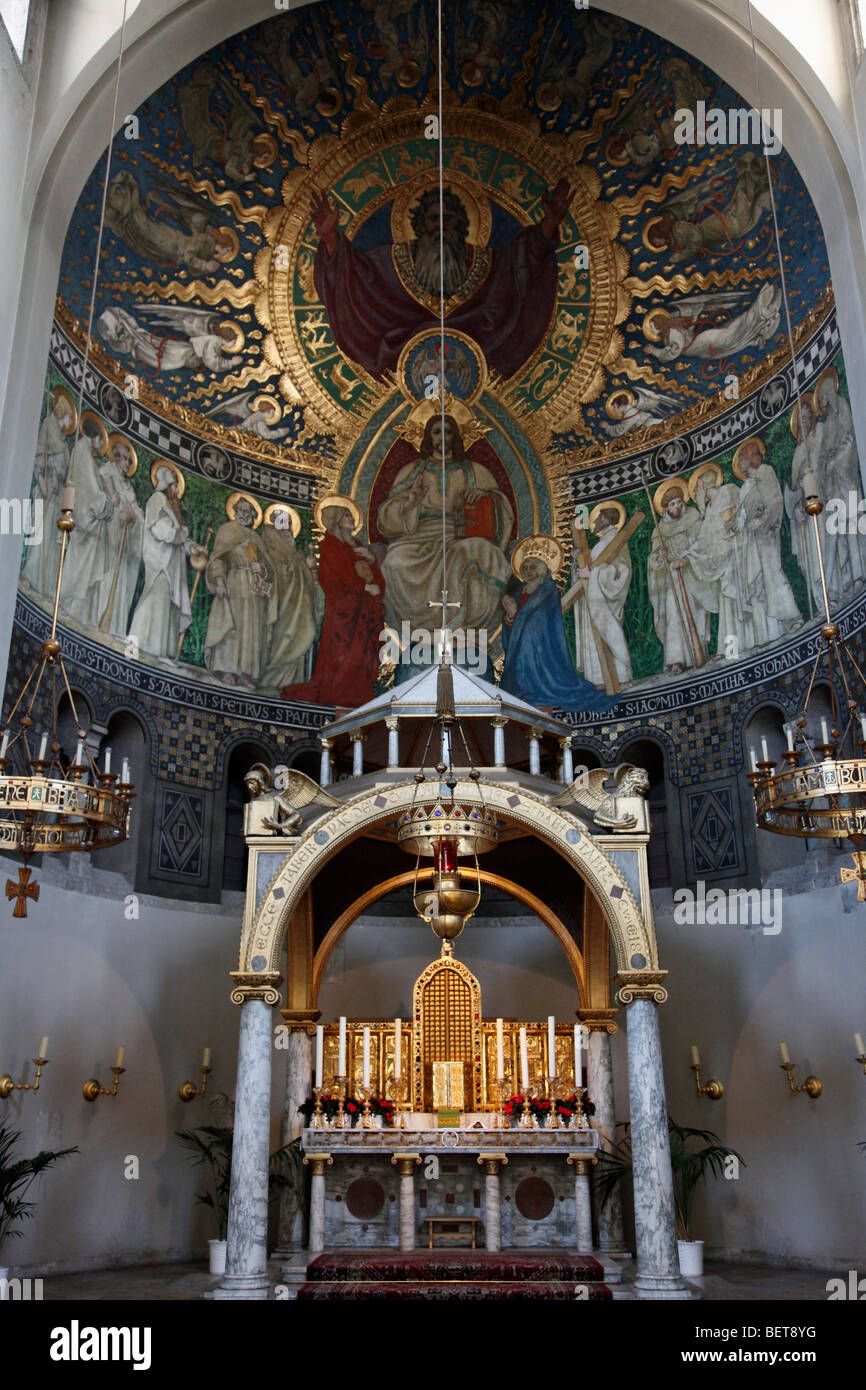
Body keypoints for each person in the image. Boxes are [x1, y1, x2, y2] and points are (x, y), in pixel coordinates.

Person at [312, 180, 572, 379]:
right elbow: (354, 275)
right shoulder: (390, 261)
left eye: (448, 219)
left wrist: (550, 223)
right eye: (433, 219)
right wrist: (330, 237)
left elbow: (523, 259)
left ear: (460, 225)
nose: (440, 226)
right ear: (419, 225)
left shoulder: (487, 263)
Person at [378, 413, 512, 668]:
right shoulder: (412, 472)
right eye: (436, 432)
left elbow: (500, 506)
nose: (442, 438)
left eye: (448, 432)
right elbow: (386, 519)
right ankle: (423, 630)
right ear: (429, 437)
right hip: (420, 536)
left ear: (456, 437)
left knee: (486, 553)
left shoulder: (474, 471)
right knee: (394, 561)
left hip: (460, 533)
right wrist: (411, 501)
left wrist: (484, 497)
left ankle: (467, 627)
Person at [282, 502, 385, 707]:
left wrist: (372, 560)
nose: (352, 519)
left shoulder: (356, 546)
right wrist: (364, 588)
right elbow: (339, 577)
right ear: (337, 521)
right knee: (342, 653)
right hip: (343, 610)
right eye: (346, 515)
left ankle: (359, 695)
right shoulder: (329, 545)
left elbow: (374, 578)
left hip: (361, 608)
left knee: (361, 651)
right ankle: (339, 692)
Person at [501, 543, 619, 712]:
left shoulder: (548, 591)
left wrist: (523, 623)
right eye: (524, 567)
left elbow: (543, 621)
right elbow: (515, 628)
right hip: (521, 654)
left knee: (530, 634)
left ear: (542, 568)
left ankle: (538, 686)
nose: (528, 571)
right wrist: (510, 617)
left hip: (542, 653)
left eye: (532, 566)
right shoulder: (521, 593)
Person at [128, 467, 204, 658]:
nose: (177, 491)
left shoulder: (171, 506)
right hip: (160, 563)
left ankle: (162, 653)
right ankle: (135, 645)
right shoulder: (157, 500)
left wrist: (194, 548)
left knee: (168, 608)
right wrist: (182, 534)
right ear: (167, 485)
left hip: (172, 565)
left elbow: (180, 539)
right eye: (174, 485)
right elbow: (163, 531)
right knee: (154, 600)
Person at [731, 439, 801, 645]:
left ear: (755, 457)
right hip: (752, 542)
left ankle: (791, 618)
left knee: (773, 575)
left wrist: (762, 520)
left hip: (766, 535)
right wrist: (736, 524)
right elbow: (742, 515)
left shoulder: (765, 472)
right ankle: (772, 631)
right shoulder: (746, 487)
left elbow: (774, 501)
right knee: (759, 584)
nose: (741, 462)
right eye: (741, 458)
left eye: (744, 457)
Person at [204, 496, 276, 687]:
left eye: (248, 511)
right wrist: (219, 581)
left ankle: (246, 673)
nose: (244, 514)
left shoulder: (256, 538)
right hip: (233, 584)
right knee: (231, 628)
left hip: (254, 591)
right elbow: (218, 558)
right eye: (241, 510)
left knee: (251, 631)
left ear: (253, 515)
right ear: (235, 511)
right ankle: (227, 670)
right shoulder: (226, 531)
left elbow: (268, 568)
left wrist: (262, 569)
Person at [647, 484, 714, 674]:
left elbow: (702, 542)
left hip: (693, 573)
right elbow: (653, 561)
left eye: (678, 503)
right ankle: (676, 661)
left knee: (696, 612)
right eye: (672, 504)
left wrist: (687, 558)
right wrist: (660, 556)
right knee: (673, 616)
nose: (676, 507)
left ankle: (699, 653)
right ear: (665, 508)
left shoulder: (692, 518)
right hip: (673, 580)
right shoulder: (660, 530)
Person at [571, 507, 633, 689]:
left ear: (608, 519)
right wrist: (579, 560)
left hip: (606, 599)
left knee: (608, 632)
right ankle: (600, 679)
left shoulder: (616, 539)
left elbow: (623, 570)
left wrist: (594, 574)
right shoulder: (601, 542)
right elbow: (589, 566)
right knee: (594, 636)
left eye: (600, 517)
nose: (596, 520)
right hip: (594, 595)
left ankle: (622, 677)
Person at [60, 416, 113, 627]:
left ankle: (70, 606)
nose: (101, 445)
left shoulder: (79, 450)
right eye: (101, 440)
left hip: (79, 517)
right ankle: (64, 603)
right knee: (77, 564)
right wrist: (109, 502)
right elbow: (92, 495)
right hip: (84, 521)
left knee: (77, 563)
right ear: (96, 437)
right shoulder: (84, 454)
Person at [21, 391, 74, 599]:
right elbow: (39, 453)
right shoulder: (48, 426)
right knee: (39, 533)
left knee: (51, 538)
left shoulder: (62, 437)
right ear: (63, 413)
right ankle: (28, 576)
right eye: (69, 416)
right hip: (46, 487)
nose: (70, 421)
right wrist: (41, 480)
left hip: (57, 492)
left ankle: (42, 583)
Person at [260, 506, 318, 690]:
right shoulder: (267, 549)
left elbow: (306, 580)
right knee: (278, 637)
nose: (285, 527)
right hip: (279, 605)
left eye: (288, 523)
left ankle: (291, 682)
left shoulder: (296, 553)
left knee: (298, 638)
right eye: (281, 521)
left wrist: (309, 570)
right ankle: (270, 676)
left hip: (298, 609)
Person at [98, 437, 144, 635]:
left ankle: (115, 627)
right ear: (116, 458)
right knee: (107, 579)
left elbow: (135, 511)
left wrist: (134, 518)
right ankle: (100, 618)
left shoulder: (127, 486)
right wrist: (120, 512)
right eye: (125, 459)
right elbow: (109, 501)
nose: (127, 464)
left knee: (121, 584)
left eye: (128, 460)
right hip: (107, 539)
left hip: (124, 543)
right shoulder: (106, 472)